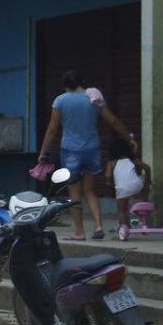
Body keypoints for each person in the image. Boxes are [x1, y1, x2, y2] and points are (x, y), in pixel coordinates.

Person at [38, 69, 135, 240]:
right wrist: (129, 138)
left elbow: (53, 129)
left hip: (70, 151)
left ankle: (80, 232)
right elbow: (112, 120)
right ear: (82, 82)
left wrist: (43, 152)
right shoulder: (93, 99)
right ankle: (98, 226)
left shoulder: (60, 101)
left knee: (74, 193)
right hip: (92, 149)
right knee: (89, 190)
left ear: (65, 85)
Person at [105, 136, 151, 230]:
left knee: (122, 210)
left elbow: (108, 175)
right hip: (137, 186)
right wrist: (148, 181)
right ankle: (144, 202)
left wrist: (109, 182)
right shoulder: (133, 160)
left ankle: (124, 227)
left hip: (122, 189)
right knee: (143, 180)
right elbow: (147, 168)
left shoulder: (112, 162)